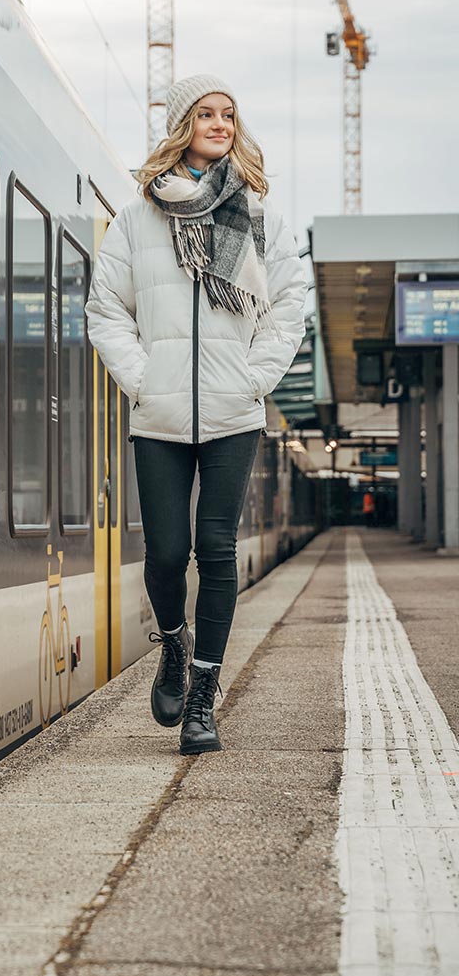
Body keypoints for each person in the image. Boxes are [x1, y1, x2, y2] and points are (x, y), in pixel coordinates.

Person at [85, 75, 305, 755]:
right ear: (183, 126)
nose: (220, 124)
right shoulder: (135, 219)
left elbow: (289, 307)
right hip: (160, 415)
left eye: (229, 115)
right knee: (166, 553)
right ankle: (174, 645)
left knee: (216, 551)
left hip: (234, 412)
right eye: (206, 114)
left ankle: (203, 700)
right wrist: (144, 380)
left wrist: (254, 378)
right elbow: (106, 311)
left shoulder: (263, 217)